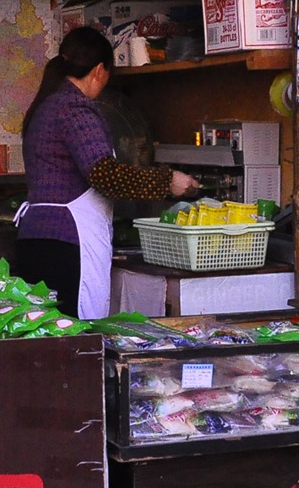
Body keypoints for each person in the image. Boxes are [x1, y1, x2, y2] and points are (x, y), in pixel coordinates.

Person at [14, 26, 199, 318]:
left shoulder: (46, 106)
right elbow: (105, 176)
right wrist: (168, 181)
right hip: (68, 244)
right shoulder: (75, 109)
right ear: (100, 70)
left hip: (36, 239)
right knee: (76, 337)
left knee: (44, 338)